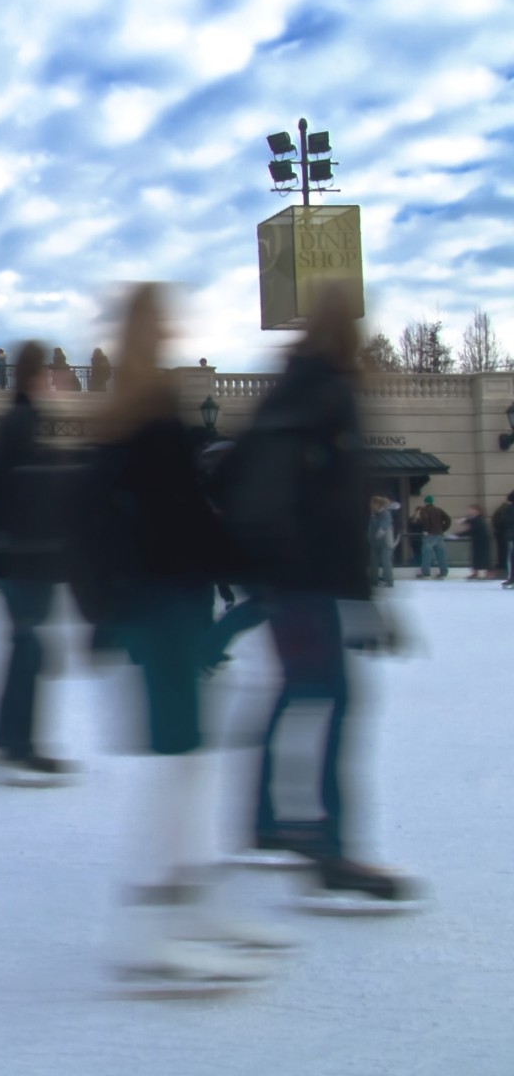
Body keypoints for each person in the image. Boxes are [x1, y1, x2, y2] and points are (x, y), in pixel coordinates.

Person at [78, 283, 287, 993]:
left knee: (189, 761)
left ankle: (197, 906)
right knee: (179, 765)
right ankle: (149, 930)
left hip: (163, 607)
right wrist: (249, 563)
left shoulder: (130, 416)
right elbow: (175, 521)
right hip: (162, 609)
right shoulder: (148, 419)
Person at [217, 284, 419, 908]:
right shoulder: (331, 392)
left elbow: (227, 472)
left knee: (297, 690)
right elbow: (337, 507)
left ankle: (266, 817)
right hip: (315, 579)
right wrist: (365, 597)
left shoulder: (284, 388)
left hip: (279, 576)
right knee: (335, 697)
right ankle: (330, 845)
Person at [0, 341, 77, 783]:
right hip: (27, 558)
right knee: (30, 648)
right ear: (38, 376)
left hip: (20, 556)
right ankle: (20, 742)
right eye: (54, 373)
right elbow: (15, 491)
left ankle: (8, 736)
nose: (59, 381)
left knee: (25, 646)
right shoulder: (23, 424)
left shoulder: (19, 422)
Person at [413, 496, 450, 578]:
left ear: (425, 502)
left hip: (429, 535)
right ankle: (444, 572)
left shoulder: (424, 510)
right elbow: (448, 519)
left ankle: (425, 572)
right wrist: (443, 529)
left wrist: (426, 530)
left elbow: (425, 520)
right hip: (439, 534)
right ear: (432, 502)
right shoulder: (438, 510)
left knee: (427, 555)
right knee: (441, 554)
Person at [368, 496, 397, 588]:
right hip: (375, 542)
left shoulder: (386, 514)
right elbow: (371, 527)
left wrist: (377, 534)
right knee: (373, 562)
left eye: (373, 504)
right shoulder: (374, 514)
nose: (371, 506)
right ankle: (374, 580)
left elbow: (383, 527)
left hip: (386, 542)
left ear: (377, 504)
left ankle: (389, 581)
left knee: (386, 562)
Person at [460, 505, 492, 579]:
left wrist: (458, 534)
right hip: (478, 541)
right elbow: (470, 520)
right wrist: (465, 520)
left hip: (482, 541)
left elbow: (472, 530)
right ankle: (475, 572)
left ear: (477, 511)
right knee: (476, 557)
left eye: (471, 510)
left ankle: (488, 572)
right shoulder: (475, 518)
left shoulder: (479, 519)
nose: (469, 511)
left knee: (483, 557)